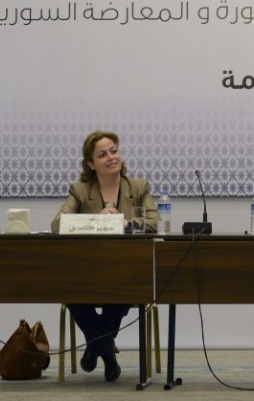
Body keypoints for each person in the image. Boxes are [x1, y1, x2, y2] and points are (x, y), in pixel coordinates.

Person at [51, 130, 158, 382]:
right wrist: (94, 219)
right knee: (72, 292)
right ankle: (107, 352)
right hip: (89, 271)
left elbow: (154, 223)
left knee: (122, 291)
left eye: (114, 151)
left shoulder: (139, 187)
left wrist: (126, 222)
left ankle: (95, 348)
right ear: (91, 163)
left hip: (127, 271)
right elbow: (57, 225)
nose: (111, 157)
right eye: (102, 154)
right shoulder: (80, 190)